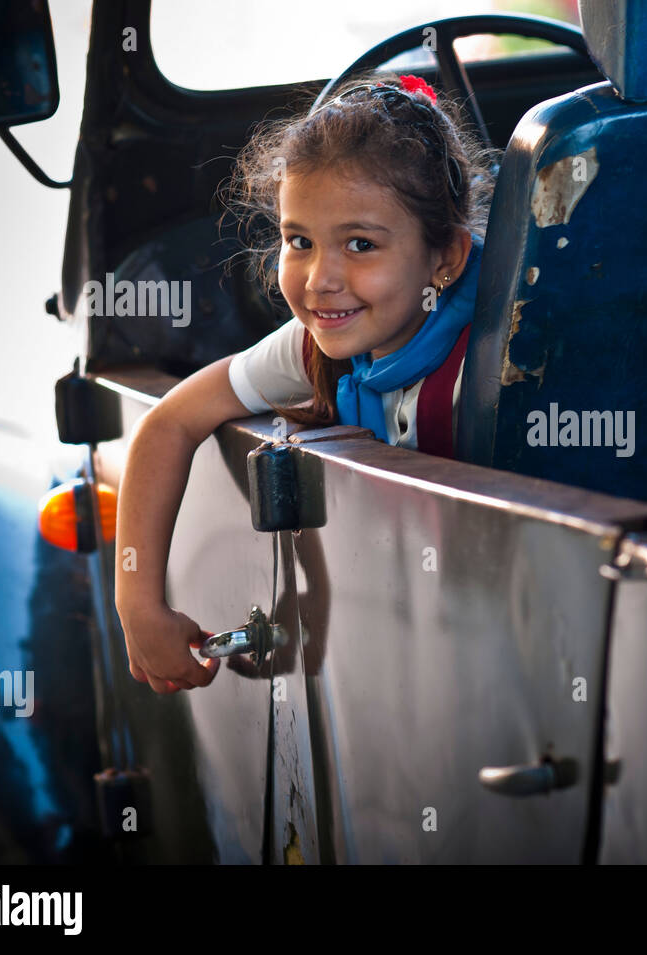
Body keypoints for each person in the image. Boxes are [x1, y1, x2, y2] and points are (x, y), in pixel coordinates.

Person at [114, 74, 497, 694]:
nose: (321, 279)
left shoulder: (507, 350)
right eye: (299, 241)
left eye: (361, 243)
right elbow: (171, 421)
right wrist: (137, 605)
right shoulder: (318, 345)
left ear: (446, 259)